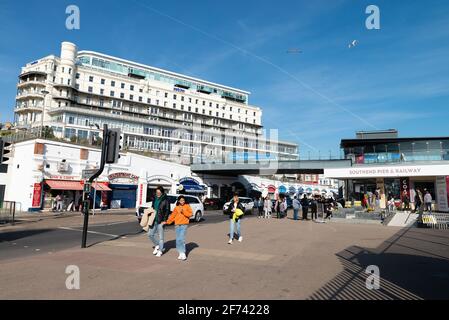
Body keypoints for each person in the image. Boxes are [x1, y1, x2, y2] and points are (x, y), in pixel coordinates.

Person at [162, 195, 192, 261]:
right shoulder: (176, 208)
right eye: (181, 200)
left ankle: (183, 253)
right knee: (178, 239)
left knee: (181, 238)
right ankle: (180, 252)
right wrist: (167, 222)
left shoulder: (187, 206)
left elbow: (190, 214)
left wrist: (183, 211)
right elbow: (172, 216)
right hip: (177, 225)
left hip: (184, 224)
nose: (182, 201)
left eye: (183, 200)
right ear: (178, 201)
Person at [148, 186, 171, 257]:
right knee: (150, 234)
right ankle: (157, 245)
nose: (158, 194)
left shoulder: (166, 200)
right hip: (154, 220)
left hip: (161, 221)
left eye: (159, 192)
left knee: (161, 237)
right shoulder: (154, 198)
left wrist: (165, 220)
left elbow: (167, 210)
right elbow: (153, 207)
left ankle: (160, 250)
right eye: (157, 192)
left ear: (162, 192)